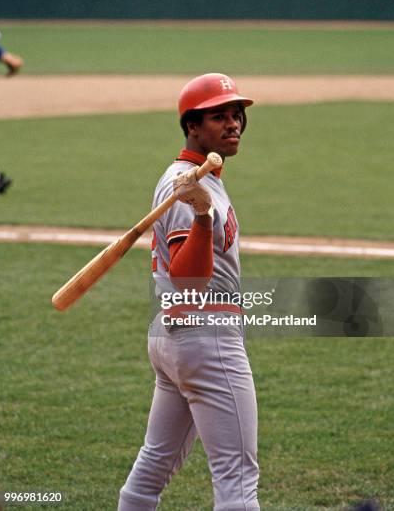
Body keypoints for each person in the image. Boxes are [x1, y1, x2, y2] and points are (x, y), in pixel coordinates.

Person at [118, 73, 260, 511]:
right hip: (206, 337)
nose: (233, 123)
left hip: (173, 337)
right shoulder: (186, 185)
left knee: (151, 471)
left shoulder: (195, 177)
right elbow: (189, 281)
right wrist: (200, 215)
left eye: (236, 114)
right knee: (237, 481)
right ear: (192, 126)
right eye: (219, 116)